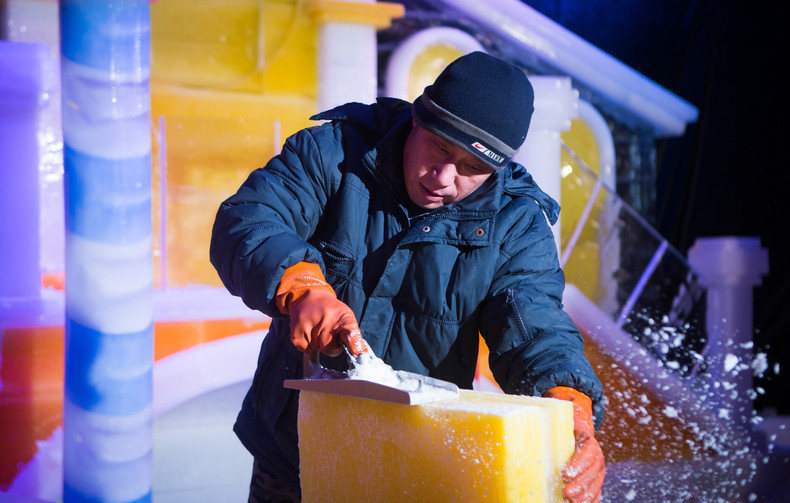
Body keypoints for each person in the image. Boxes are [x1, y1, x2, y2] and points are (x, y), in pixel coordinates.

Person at [210, 51, 605, 503]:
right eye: (440, 147)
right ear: (417, 118)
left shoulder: (516, 225)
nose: (444, 177)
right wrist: (304, 288)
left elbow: (536, 326)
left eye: (472, 168)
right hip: (293, 453)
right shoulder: (335, 154)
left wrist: (570, 412)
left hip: (419, 463)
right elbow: (248, 220)